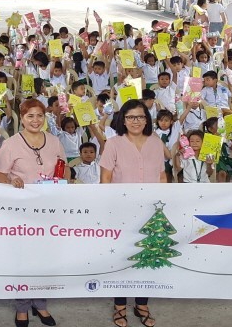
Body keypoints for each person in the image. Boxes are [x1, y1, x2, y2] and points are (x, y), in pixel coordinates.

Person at [0, 99, 65, 327]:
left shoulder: (54, 141)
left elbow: (64, 168)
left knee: (44, 257)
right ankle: (22, 306)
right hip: (21, 212)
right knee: (24, 258)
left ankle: (40, 303)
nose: (35, 120)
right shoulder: (12, 144)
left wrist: (62, 177)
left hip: (48, 210)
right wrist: (12, 180)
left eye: (40, 116)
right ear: (22, 119)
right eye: (30, 116)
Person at [99, 99, 167, 327]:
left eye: (140, 117)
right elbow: (105, 178)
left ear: (147, 119)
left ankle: (142, 304)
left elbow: (162, 175)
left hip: (151, 212)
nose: (135, 121)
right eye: (130, 117)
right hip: (121, 211)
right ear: (123, 120)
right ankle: (120, 306)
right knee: (123, 258)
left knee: (147, 258)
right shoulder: (113, 144)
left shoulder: (156, 143)